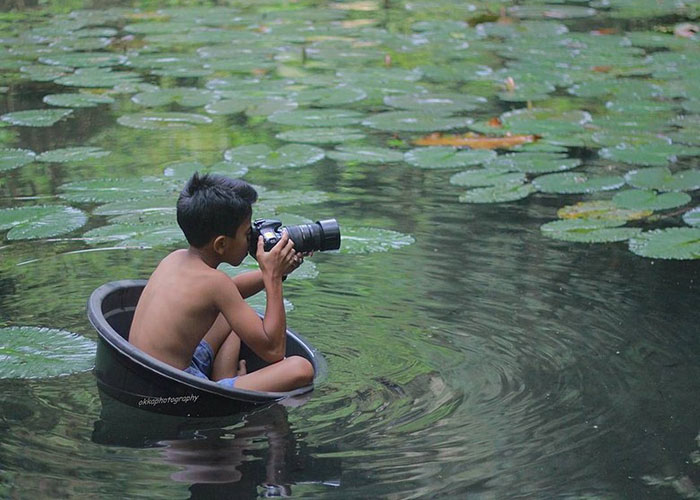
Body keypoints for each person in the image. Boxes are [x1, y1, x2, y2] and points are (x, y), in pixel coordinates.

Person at [129, 172, 314, 392]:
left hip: (143, 376)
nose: (252, 239)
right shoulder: (215, 283)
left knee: (237, 314)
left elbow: (231, 292)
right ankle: (225, 388)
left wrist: (276, 270)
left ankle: (224, 378)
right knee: (301, 369)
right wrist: (272, 277)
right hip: (180, 391)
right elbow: (273, 350)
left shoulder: (175, 258)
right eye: (247, 234)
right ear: (221, 245)